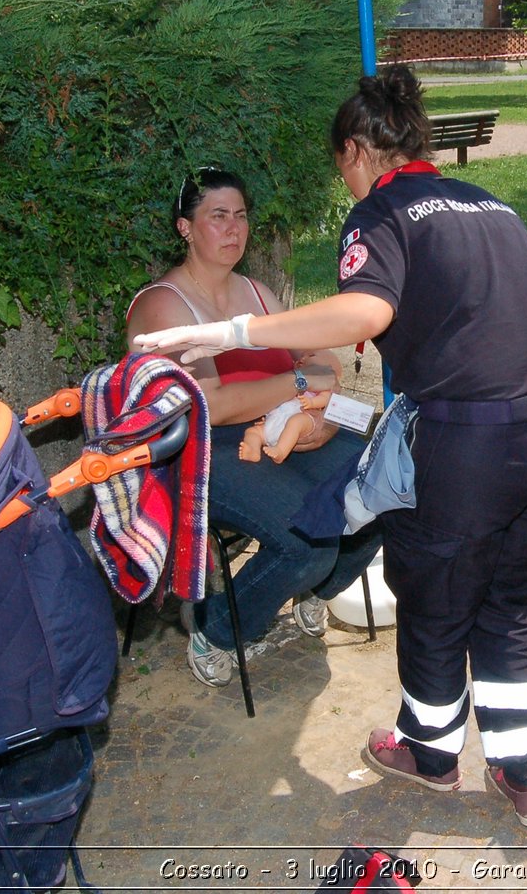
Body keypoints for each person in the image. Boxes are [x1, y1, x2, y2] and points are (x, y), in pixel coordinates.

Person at [135, 66, 527, 827]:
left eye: (340, 166)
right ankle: (525, 775)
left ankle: (431, 753)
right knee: (507, 600)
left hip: (471, 437)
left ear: (356, 152)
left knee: (439, 600)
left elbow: (364, 311)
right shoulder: (489, 204)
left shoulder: (383, 212)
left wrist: (231, 332)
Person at [125, 168, 381, 689]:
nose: (233, 228)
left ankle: (314, 587)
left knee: (385, 486)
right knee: (309, 540)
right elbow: (213, 406)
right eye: (217, 216)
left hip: (277, 430)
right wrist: (298, 382)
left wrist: (310, 404)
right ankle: (218, 628)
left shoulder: (256, 293)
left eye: (240, 216)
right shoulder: (163, 304)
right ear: (184, 228)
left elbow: (323, 357)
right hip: (201, 453)